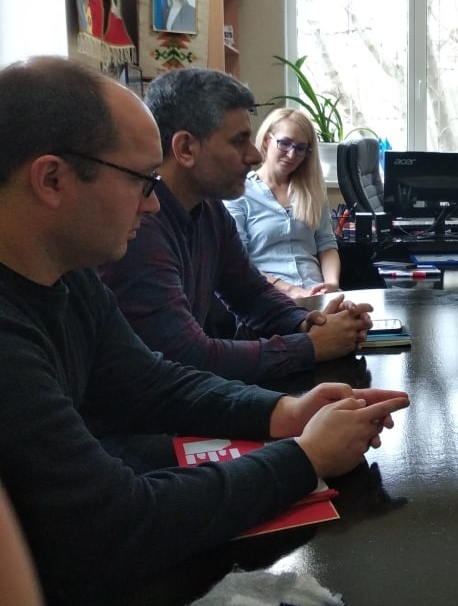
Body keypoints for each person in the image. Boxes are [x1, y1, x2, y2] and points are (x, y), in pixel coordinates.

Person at [0, 56, 410, 605]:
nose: (154, 203)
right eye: (141, 181)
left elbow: (153, 381)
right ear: (52, 179)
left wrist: (283, 412)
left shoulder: (69, 278)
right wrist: (305, 457)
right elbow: (115, 522)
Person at [98, 68, 370, 384]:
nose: (254, 156)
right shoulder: (140, 227)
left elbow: (251, 294)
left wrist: (309, 323)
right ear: (185, 149)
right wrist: (310, 346)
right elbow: (186, 356)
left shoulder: (210, 209)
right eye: (239, 141)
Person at [225, 108, 340, 299]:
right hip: (267, 298)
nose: (292, 155)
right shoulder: (239, 192)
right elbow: (238, 262)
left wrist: (331, 285)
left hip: (316, 293)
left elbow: (326, 245)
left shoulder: (313, 191)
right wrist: (291, 291)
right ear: (266, 140)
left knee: (364, 316)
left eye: (300, 148)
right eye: (285, 143)